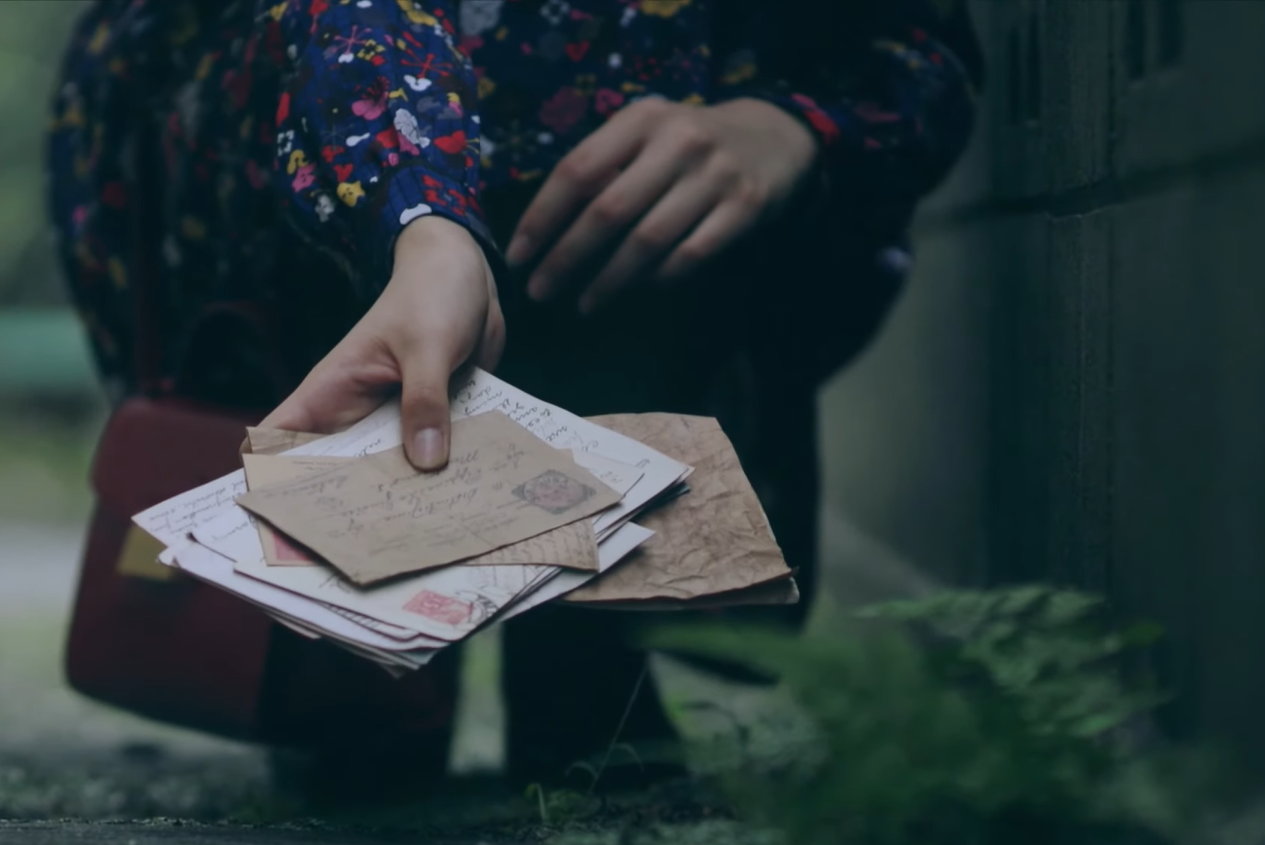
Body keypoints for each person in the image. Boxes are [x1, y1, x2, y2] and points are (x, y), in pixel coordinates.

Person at [47, 0, 982, 793]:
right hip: (299, 133)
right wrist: (419, 224)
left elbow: (922, 47)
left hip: (666, 171)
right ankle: (354, 624)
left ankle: (577, 633)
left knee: (636, 170)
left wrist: (792, 127)